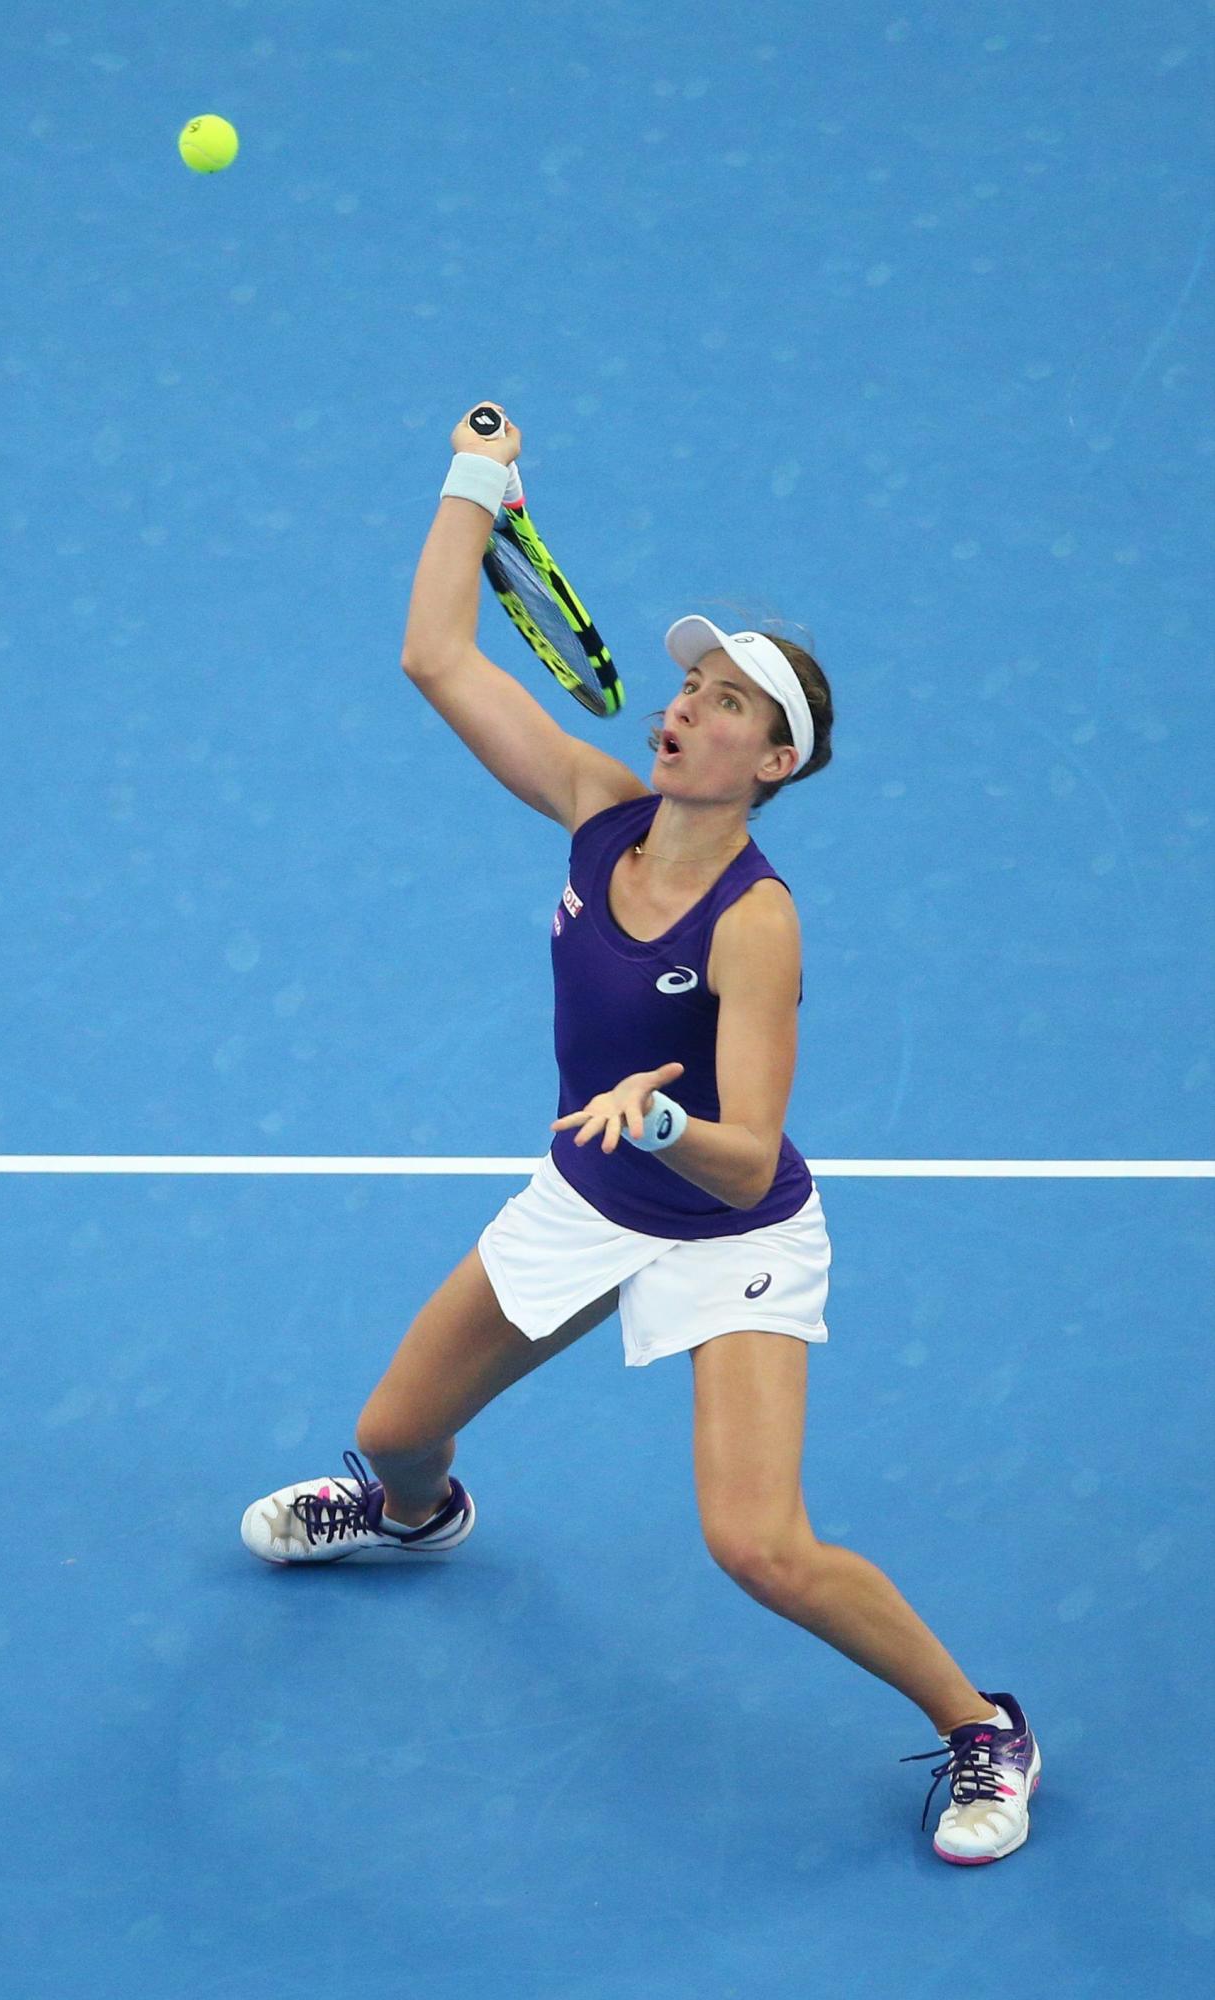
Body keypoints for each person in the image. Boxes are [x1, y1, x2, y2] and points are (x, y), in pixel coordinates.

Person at [240, 404, 1042, 1867]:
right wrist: (474, 480)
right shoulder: (595, 810)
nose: (683, 708)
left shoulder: (758, 924)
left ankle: (984, 1724)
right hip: (585, 1198)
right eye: (688, 689)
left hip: (726, 1236)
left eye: (727, 703)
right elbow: (434, 653)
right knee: (395, 1434)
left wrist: (663, 1115)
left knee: (757, 1548)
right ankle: (415, 1521)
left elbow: (744, 1158)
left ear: (773, 765)